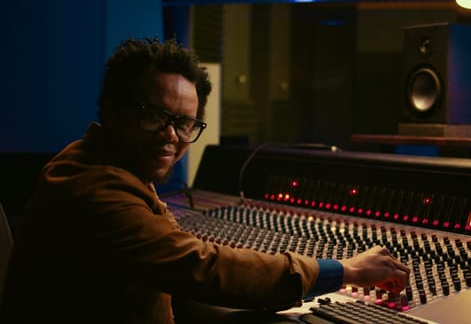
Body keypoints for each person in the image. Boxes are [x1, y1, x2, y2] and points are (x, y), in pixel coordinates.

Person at [0, 37, 410, 323]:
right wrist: (345, 270)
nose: (171, 136)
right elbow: (204, 267)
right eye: (154, 115)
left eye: (184, 123)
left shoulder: (99, 163)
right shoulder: (91, 188)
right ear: (112, 109)